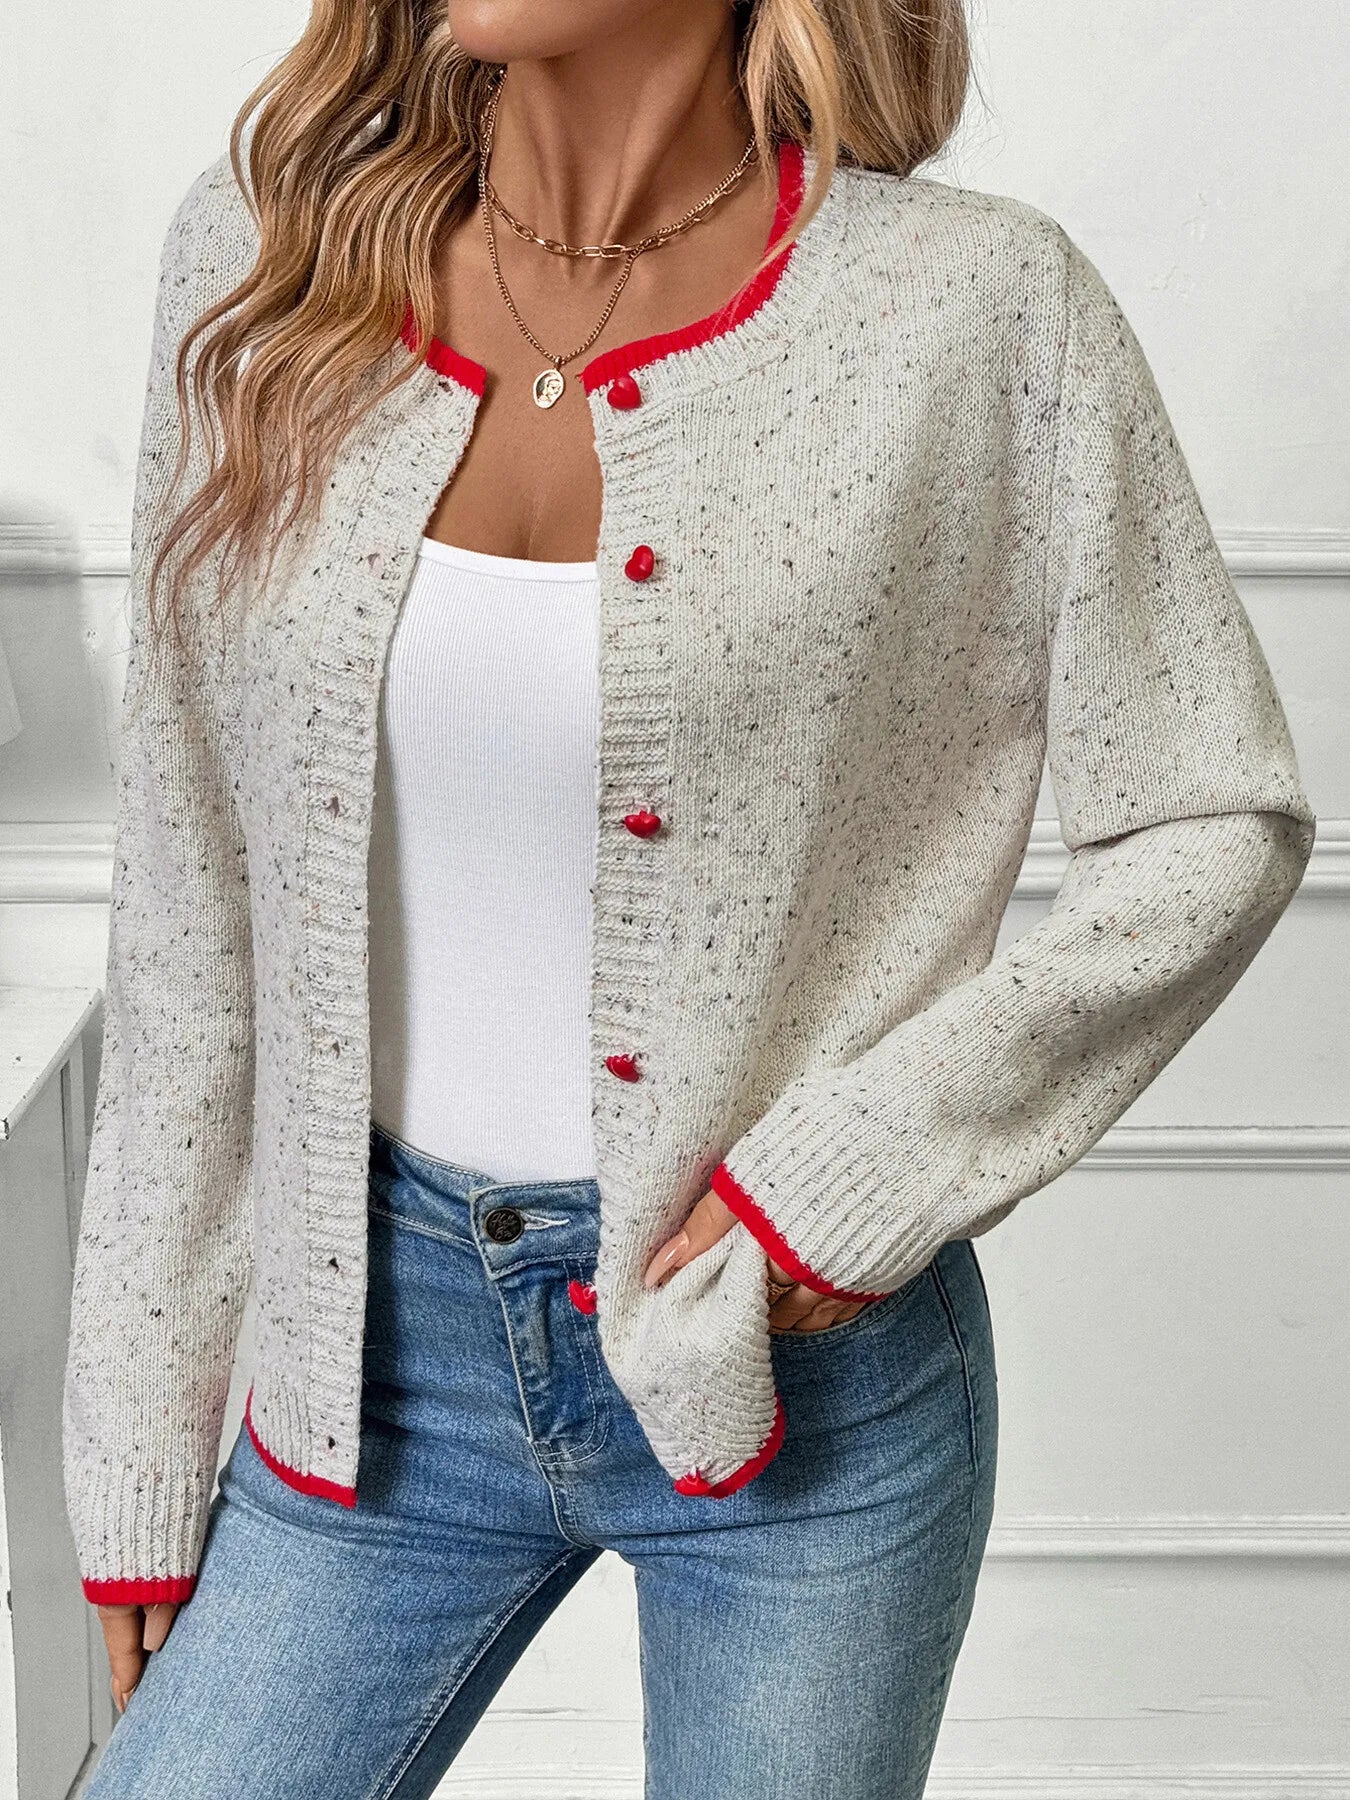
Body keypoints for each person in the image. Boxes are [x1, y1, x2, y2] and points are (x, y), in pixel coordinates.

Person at [65, 1, 1316, 1794]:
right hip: (365, 1368)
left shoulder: (977, 313)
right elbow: (191, 899)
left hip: (800, 1385)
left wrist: (850, 1176)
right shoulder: (274, 262)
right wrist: (140, 1436)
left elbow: (1212, 817)